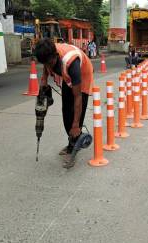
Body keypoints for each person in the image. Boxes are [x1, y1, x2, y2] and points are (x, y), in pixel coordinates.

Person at [35, 39, 94, 168]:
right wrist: (44, 79)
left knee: (76, 113)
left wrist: (75, 125)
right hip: (67, 75)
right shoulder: (48, 52)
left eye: (49, 63)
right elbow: (46, 64)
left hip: (83, 74)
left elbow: (78, 97)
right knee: (66, 110)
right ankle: (71, 142)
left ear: (55, 56)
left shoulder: (71, 63)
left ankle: (73, 146)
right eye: (45, 64)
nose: (48, 67)